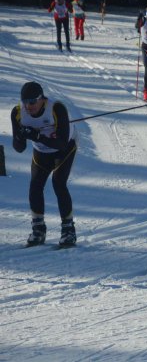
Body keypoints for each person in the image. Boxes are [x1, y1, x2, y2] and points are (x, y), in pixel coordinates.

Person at [10, 81, 78, 247]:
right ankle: (38, 228)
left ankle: (68, 230)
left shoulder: (56, 109)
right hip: (41, 151)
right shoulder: (18, 113)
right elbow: (19, 149)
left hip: (64, 149)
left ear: (42, 99)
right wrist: (20, 136)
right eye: (25, 102)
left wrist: (37, 136)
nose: (28, 106)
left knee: (58, 183)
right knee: (35, 185)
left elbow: (61, 143)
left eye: (32, 102)